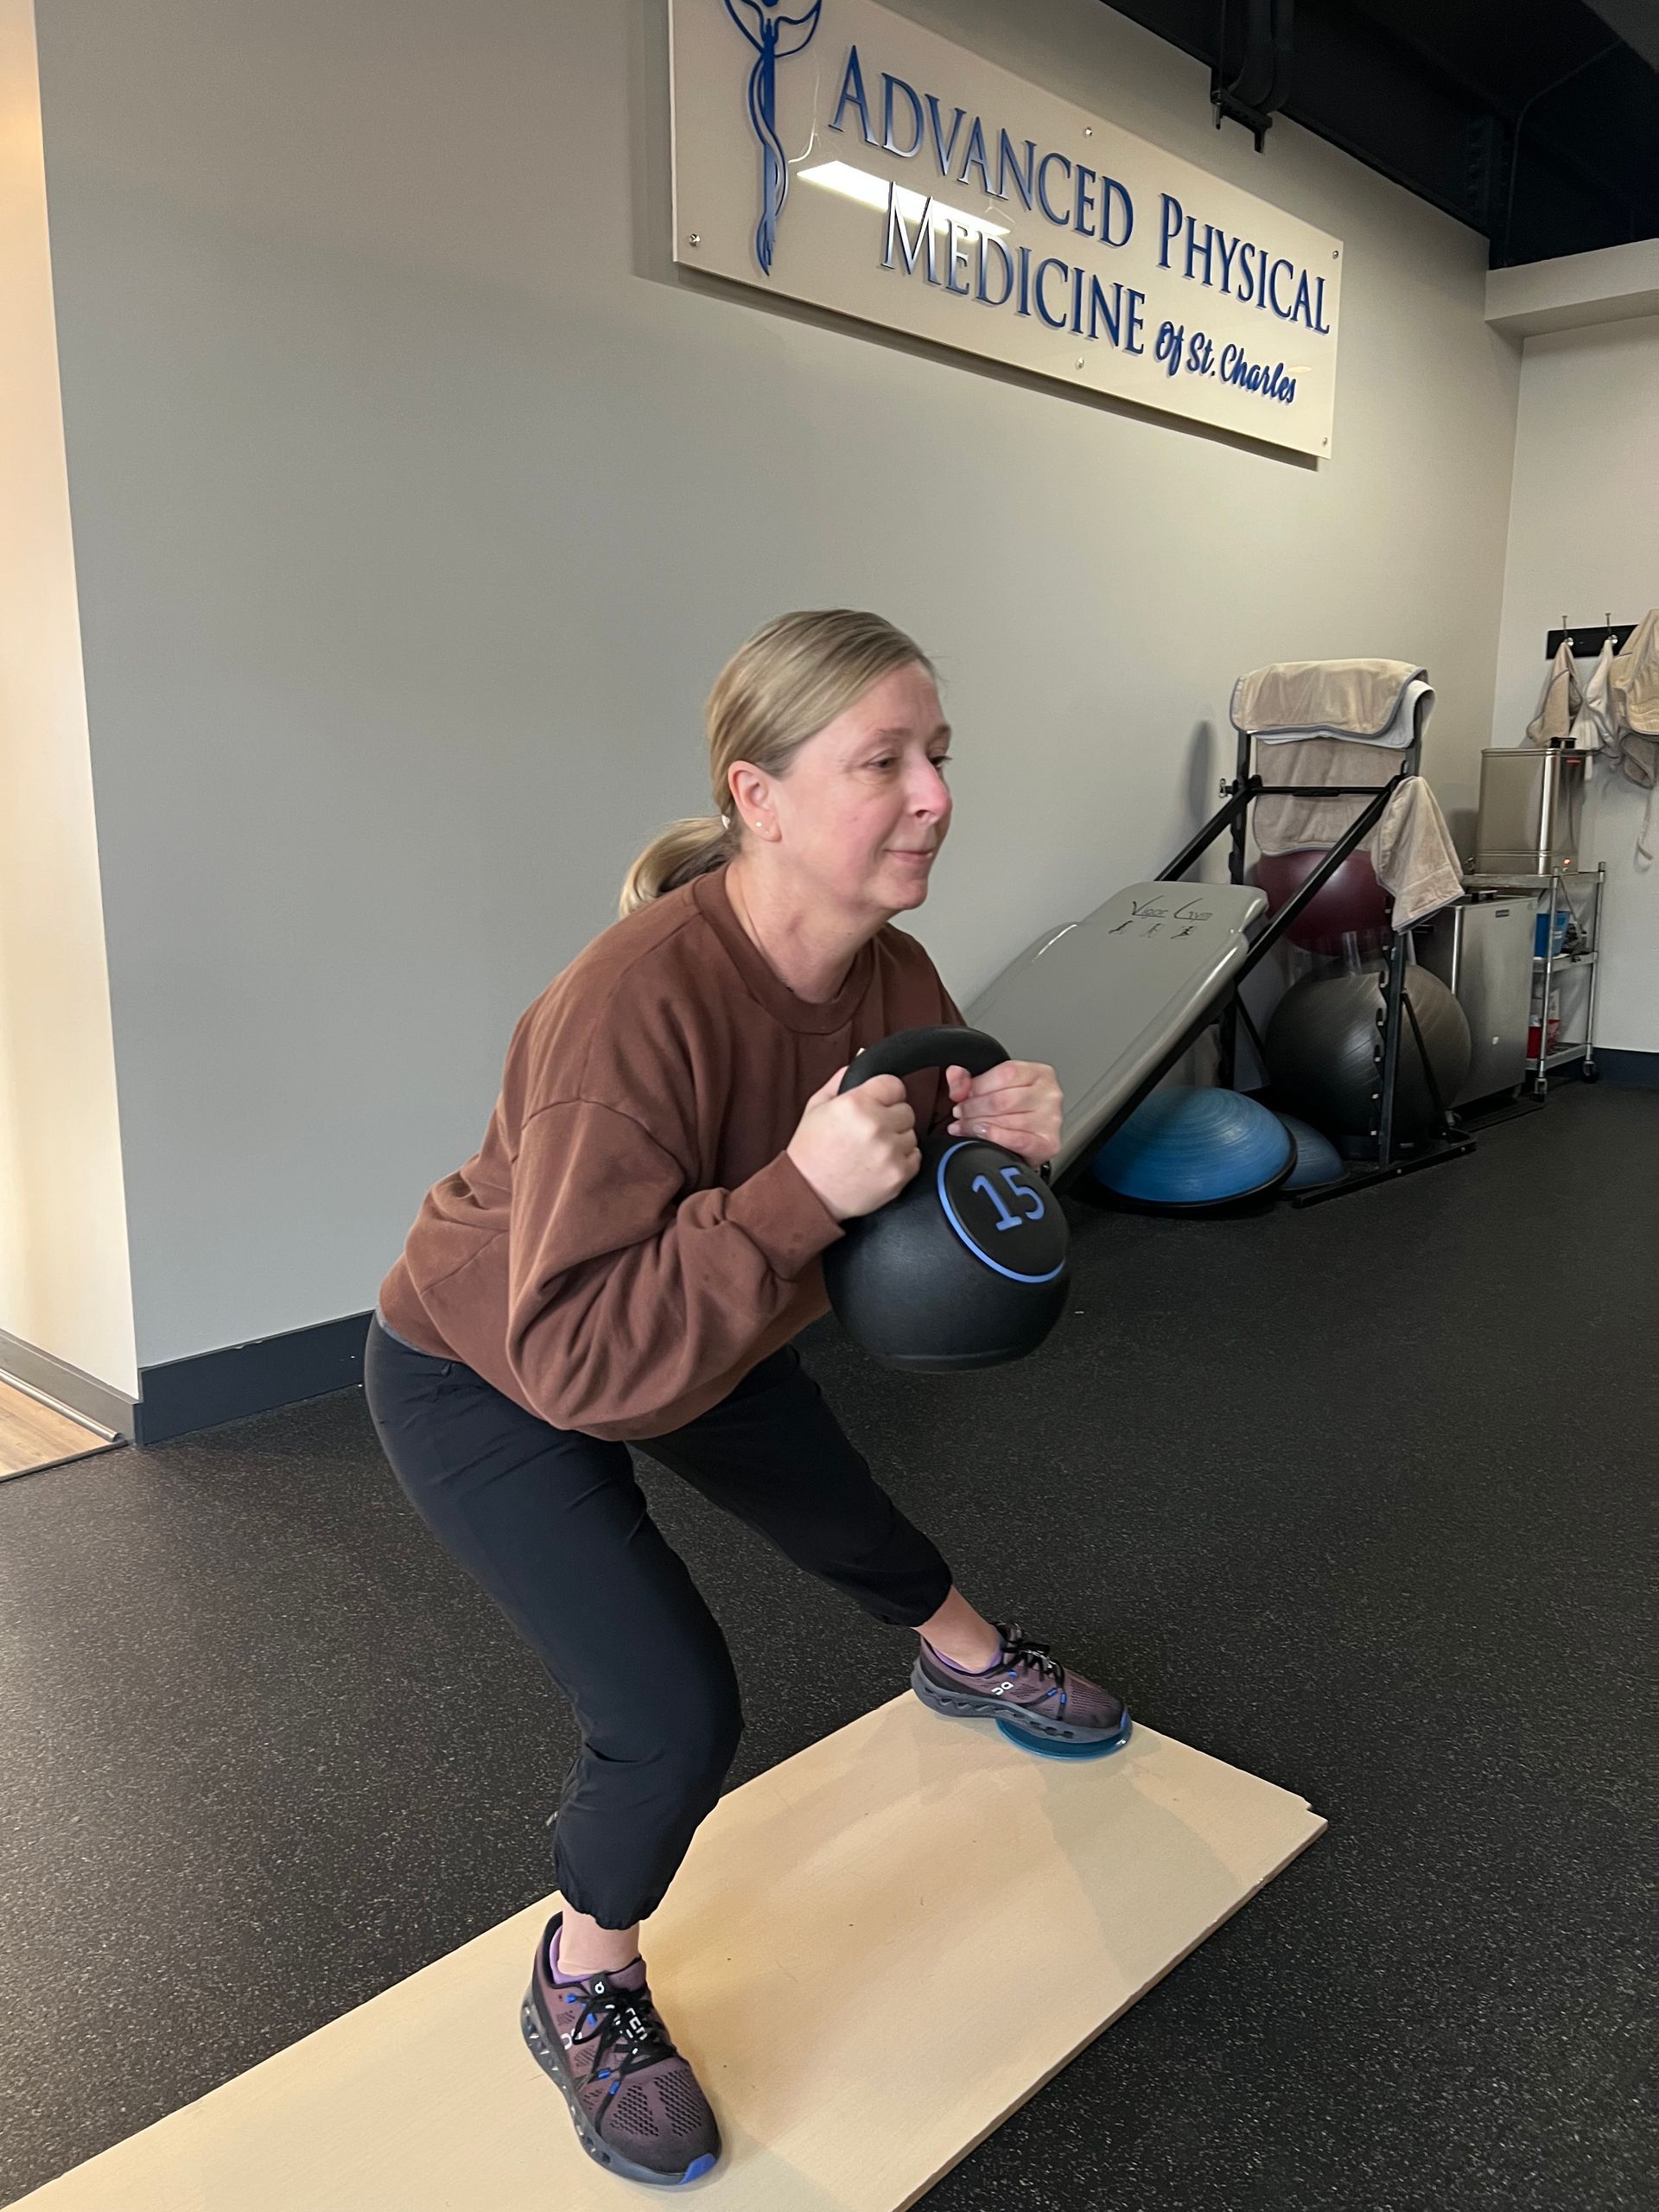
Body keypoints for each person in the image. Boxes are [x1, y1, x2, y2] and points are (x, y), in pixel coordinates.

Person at [363, 610, 1129, 2189]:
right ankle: (583, 1978)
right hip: (490, 1370)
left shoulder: (893, 965)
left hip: (698, 1320)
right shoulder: (629, 1010)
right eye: (884, 762)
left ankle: (963, 1660)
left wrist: (1000, 1135)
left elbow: (908, 1197)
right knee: (672, 1714)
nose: (933, 794)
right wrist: (791, 1190)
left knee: (841, 1503)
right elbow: (580, 1358)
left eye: (939, 757)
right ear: (758, 794)